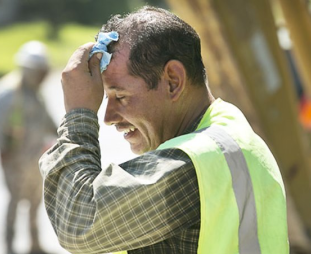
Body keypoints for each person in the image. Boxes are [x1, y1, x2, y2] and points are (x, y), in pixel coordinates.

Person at [39, 6, 289, 254]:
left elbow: (78, 224)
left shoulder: (198, 161)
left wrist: (78, 115)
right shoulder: (227, 130)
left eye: (121, 96)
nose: (108, 118)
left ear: (173, 81)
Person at [0, 41, 56, 254]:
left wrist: (65, 134)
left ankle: (34, 244)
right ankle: (9, 246)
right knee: (14, 201)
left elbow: (47, 121)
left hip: (35, 159)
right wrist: (4, 157)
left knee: (36, 201)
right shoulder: (9, 94)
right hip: (14, 162)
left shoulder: (35, 94)